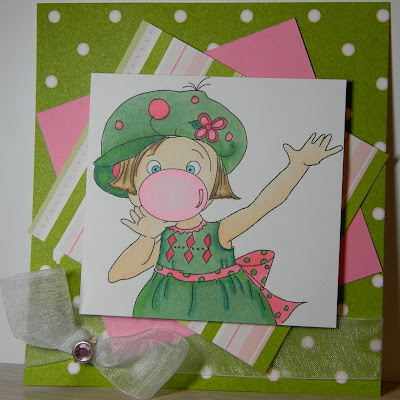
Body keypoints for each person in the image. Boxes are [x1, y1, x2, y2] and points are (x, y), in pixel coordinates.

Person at [93, 86, 342, 324]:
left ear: (214, 185)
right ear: (133, 187)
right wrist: (147, 237)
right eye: (155, 168)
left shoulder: (219, 232)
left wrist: (298, 166)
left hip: (227, 307)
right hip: (164, 311)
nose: (173, 183)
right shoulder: (163, 239)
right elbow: (117, 274)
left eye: (192, 169)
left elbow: (262, 206)